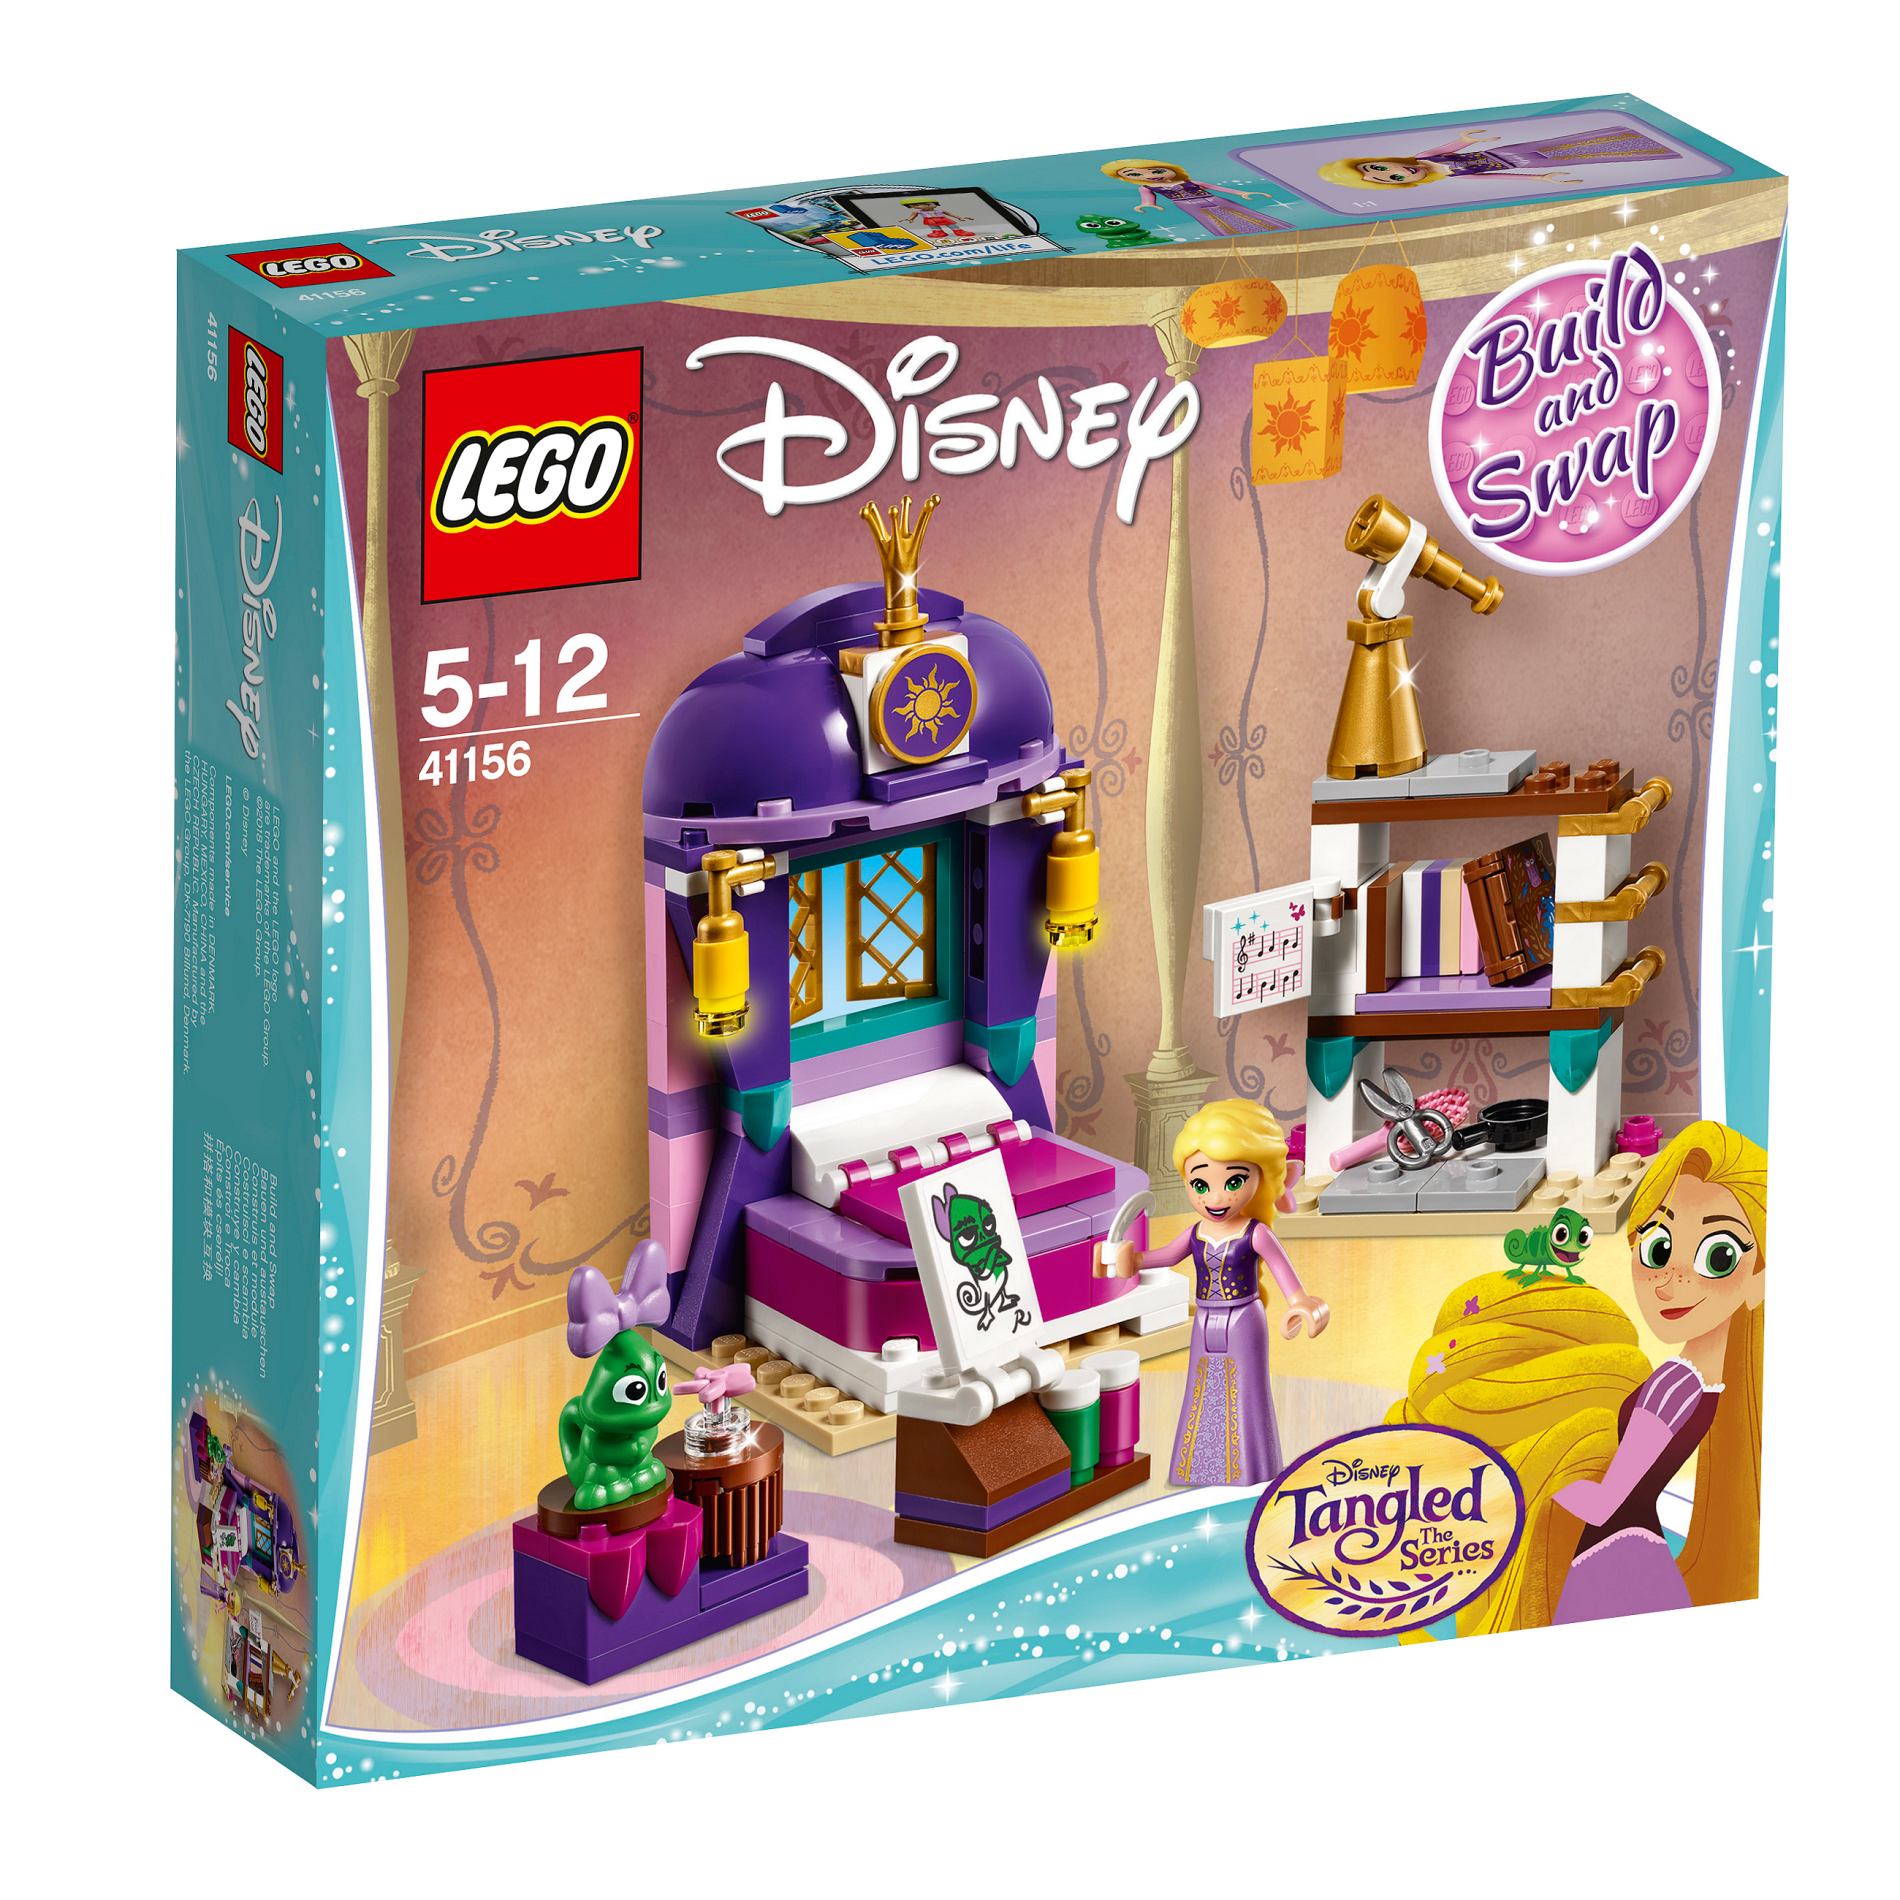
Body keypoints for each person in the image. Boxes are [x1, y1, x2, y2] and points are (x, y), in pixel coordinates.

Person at [1549, 1120, 1766, 1622]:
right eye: (1658, 1248)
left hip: (1610, 1553)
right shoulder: (1714, 1384)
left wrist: (1539, 1478)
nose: (1669, 1282)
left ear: (1758, 1283)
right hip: (1641, 1552)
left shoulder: (1675, 1384)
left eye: (1718, 1256)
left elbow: (1604, 1503)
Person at [1114, 1098, 1327, 1486]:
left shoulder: (1255, 1233)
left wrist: (1302, 1303)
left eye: (1233, 1182)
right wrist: (1134, 1260)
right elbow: (1167, 1256)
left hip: (1244, 1318)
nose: (1215, 1198)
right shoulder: (1195, 1233)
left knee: (1244, 1390)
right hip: (1205, 1317)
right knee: (1202, 1389)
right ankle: (1201, 1469)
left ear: (1261, 1177)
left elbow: (1287, 1277)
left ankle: (1249, 1473)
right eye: (1200, 1185)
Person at [1318, 125, 1679, 193]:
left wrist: (1467, 139)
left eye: (1380, 167)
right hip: (1521, 165)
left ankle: (1625, 137)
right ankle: (1638, 148)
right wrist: (1539, 179)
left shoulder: (1426, 157)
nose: (1396, 172)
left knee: (1560, 144)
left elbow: (1455, 142)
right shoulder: (1448, 176)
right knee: (1571, 158)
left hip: (1506, 152)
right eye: (1389, 178)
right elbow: (1493, 179)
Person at [1100, 160, 1292, 237]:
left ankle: (1270, 229)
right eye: (1135, 175)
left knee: (1242, 212)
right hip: (1187, 204)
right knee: (1214, 220)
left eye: (1157, 171)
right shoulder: (1146, 187)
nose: (1150, 176)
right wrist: (1148, 205)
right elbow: (1147, 198)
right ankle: (1232, 235)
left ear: (1171, 170)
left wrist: (1241, 193)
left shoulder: (1192, 181)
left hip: (1213, 198)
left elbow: (1216, 187)